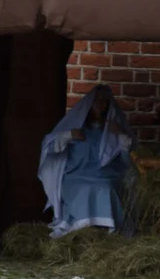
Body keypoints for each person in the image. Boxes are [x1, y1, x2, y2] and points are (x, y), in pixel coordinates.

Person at [38, 84, 135, 238]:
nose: (101, 106)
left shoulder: (113, 133)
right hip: (76, 177)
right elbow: (48, 147)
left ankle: (107, 234)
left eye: (104, 102)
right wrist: (69, 135)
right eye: (97, 101)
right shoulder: (77, 129)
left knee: (105, 189)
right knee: (84, 189)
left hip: (106, 177)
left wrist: (120, 136)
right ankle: (81, 233)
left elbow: (128, 161)